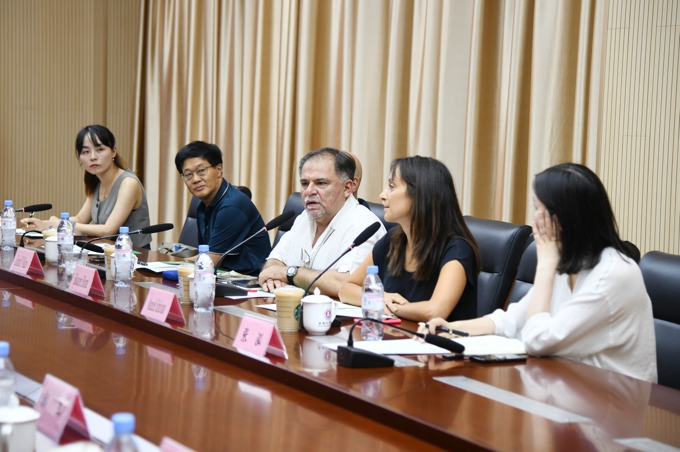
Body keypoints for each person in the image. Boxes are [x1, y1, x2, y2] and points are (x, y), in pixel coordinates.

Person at [421, 163, 657, 383]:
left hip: (611, 401)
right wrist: (451, 329)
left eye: (539, 210)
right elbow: (512, 320)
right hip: (567, 386)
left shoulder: (612, 275)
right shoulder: (572, 260)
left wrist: (545, 263)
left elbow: (538, 341)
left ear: (565, 218)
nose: (534, 220)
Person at [339, 156, 480, 322]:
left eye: (392, 186)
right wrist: (381, 297)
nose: (382, 195)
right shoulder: (392, 240)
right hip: (394, 335)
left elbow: (435, 311)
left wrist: (387, 306)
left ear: (419, 195)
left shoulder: (457, 249)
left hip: (435, 339)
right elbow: (346, 289)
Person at [258, 147, 386, 296]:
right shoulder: (304, 218)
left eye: (321, 183)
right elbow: (273, 262)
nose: (309, 191)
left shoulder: (363, 225)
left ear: (348, 188)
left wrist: (289, 273)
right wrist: (273, 278)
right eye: (305, 183)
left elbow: (346, 284)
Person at [22, 125, 152, 248]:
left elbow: (108, 230)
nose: (93, 157)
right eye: (86, 152)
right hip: (106, 253)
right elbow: (80, 219)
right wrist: (45, 224)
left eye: (100, 150)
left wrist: (62, 225)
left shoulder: (128, 183)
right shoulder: (97, 181)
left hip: (134, 255)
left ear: (113, 152)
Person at [174, 141, 270, 275]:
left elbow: (209, 261)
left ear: (219, 169)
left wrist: (170, 264)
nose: (195, 179)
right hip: (220, 275)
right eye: (188, 174)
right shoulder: (202, 204)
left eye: (201, 171)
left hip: (247, 280)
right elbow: (205, 255)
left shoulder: (232, 206)